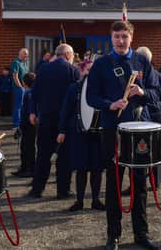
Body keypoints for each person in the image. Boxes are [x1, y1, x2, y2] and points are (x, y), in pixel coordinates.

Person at [87, 20, 160, 250]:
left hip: (140, 129)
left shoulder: (142, 61)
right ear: (111, 38)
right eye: (117, 36)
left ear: (132, 38)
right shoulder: (102, 64)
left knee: (140, 184)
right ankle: (113, 236)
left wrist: (143, 91)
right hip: (114, 129)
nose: (120, 40)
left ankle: (142, 234)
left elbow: (158, 93)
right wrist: (110, 104)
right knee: (114, 184)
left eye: (124, 37)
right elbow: (91, 97)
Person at [28, 43, 80, 198]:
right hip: (65, 120)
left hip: (45, 117)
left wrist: (32, 111)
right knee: (64, 156)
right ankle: (63, 190)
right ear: (68, 55)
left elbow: (34, 92)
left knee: (43, 155)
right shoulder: (73, 71)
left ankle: (37, 189)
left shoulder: (43, 69)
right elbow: (76, 97)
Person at [58, 62, 105, 211]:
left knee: (97, 168)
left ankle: (96, 200)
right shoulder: (74, 87)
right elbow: (66, 110)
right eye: (89, 69)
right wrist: (62, 130)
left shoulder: (103, 88)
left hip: (98, 133)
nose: (91, 73)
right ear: (82, 70)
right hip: (79, 133)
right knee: (81, 168)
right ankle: (79, 201)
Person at [136, 46, 161, 187]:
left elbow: (158, 94)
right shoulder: (158, 74)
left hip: (149, 115)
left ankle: (145, 180)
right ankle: (155, 181)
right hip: (156, 114)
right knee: (155, 149)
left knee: (144, 149)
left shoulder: (150, 74)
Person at [12, 72, 36, 178]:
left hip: (28, 124)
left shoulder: (29, 93)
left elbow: (28, 110)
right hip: (27, 124)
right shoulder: (31, 92)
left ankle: (29, 168)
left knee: (28, 148)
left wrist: (21, 125)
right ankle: (24, 167)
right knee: (24, 147)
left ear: (24, 83)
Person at [11, 48, 29, 129]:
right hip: (18, 88)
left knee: (23, 106)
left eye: (27, 54)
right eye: (25, 53)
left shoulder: (25, 63)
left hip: (25, 87)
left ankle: (21, 122)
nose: (27, 55)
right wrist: (20, 86)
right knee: (18, 106)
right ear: (20, 54)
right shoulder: (16, 63)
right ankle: (16, 124)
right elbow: (15, 76)